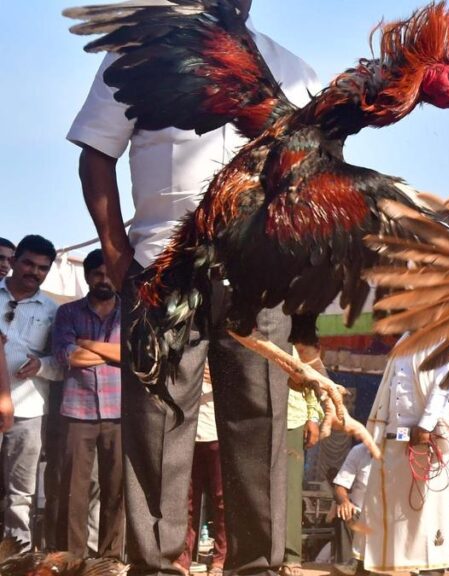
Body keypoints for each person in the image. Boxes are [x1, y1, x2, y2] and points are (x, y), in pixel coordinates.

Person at [66, 1, 320, 573]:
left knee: (260, 422)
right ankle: (155, 564)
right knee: (159, 423)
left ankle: (258, 565)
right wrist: (116, 254)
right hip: (163, 270)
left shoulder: (294, 72)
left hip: (260, 278)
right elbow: (95, 154)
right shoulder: (139, 52)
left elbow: (312, 179)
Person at [50, 248, 124, 558]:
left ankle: (109, 559)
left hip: (120, 412)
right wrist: (111, 352)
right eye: (97, 274)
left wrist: (86, 344)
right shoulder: (68, 313)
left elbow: (132, 357)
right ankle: (73, 559)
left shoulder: (130, 312)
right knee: (74, 491)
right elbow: (67, 356)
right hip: (78, 412)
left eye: (109, 274)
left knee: (116, 490)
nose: (104, 280)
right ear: (87, 276)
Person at [360, 342, 449, 575]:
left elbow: (443, 387)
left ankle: (430, 570)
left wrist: (425, 425)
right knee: (378, 503)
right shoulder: (404, 341)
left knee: (426, 512)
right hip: (394, 437)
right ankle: (371, 565)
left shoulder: (446, 341)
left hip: (427, 438)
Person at [0, 234, 60, 546]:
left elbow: (63, 364)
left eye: (42, 268)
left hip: (29, 412)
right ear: (14, 261)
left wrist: (42, 366)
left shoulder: (53, 311)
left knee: (20, 493)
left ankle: (16, 555)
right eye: (27, 263)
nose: (33, 272)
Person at [175, 365, 227, 576]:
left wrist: (219, 380)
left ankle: (220, 560)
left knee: (222, 501)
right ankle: (182, 559)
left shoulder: (225, 354)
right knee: (186, 502)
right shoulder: (188, 352)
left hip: (218, 434)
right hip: (188, 436)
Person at [282, 386, 323, 575]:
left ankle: (291, 556)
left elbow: (312, 379)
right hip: (255, 415)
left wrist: (313, 418)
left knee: (290, 490)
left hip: (292, 418)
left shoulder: (303, 354)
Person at [331, 443, 371, 576]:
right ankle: (347, 565)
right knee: (344, 511)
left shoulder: (399, 450)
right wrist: (344, 501)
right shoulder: (359, 451)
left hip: (388, 519)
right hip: (360, 515)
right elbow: (339, 486)